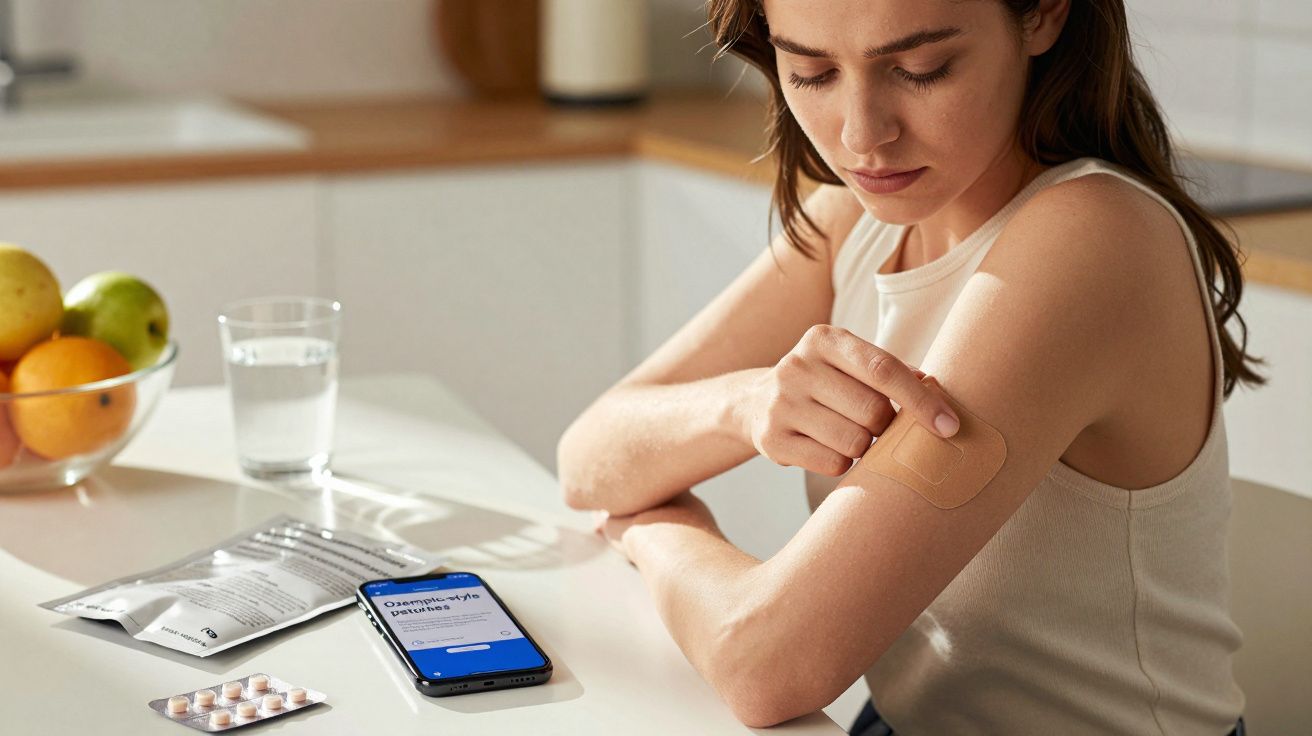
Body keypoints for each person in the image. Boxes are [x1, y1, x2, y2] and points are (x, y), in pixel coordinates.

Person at [556, 0, 1264, 732]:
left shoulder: (1092, 241)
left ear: (1044, 14)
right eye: (811, 72)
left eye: (921, 70)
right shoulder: (853, 224)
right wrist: (746, 403)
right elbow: (587, 457)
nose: (862, 135)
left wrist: (651, 528)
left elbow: (764, 662)